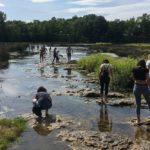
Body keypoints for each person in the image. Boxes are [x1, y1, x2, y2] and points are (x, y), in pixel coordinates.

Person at [132, 59, 150, 125]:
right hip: (144, 86)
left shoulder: (134, 69)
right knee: (149, 102)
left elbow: (133, 78)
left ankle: (138, 120)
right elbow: (148, 79)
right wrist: (149, 86)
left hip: (136, 86)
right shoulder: (146, 70)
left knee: (138, 104)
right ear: (144, 64)